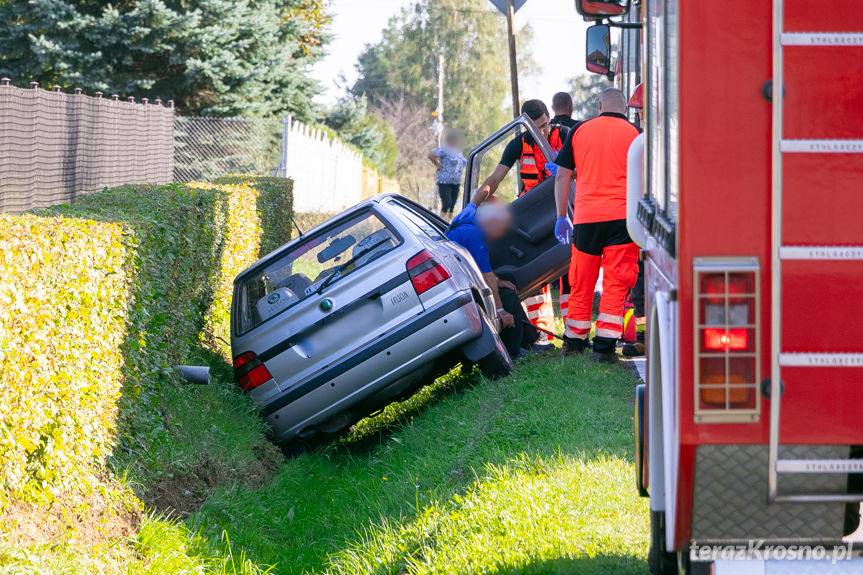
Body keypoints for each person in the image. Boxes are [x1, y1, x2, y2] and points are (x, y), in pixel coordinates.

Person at [553, 88, 640, 363]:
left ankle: (575, 342)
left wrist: (560, 216)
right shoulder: (635, 134)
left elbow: (562, 176)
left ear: (599, 105)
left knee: (582, 280)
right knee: (616, 280)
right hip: (622, 218)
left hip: (587, 218)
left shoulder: (580, 131)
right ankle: (604, 347)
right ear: (625, 108)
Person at [471, 99, 566, 349]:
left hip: (563, 208)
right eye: (536, 129)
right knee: (534, 278)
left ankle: (574, 333)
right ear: (526, 128)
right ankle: (541, 334)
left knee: (571, 275)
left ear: (550, 117)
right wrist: (474, 203)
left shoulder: (564, 135)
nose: (543, 132)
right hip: (532, 214)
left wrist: (568, 171)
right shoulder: (518, 144)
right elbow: (496, 177)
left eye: (545, 125)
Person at [446, 201, 538, 359]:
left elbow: (479, 269)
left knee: (506, 281)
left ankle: (528, 341)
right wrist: (500, 310)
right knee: (507, 296)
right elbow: (487, 276)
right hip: (462, 290)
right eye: (501, 227)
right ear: (491, 223)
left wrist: (499, 281)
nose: (501, 233)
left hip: (463, 282)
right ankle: (513, 351)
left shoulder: (467, 219)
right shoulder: (474, 235)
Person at [428, 128, 467, 219]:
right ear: (450, 140)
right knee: (447, 203)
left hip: (456, 182)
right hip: (444, 181)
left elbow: (464, 162)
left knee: (452, 205)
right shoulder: (444, 149)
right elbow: (431, 155)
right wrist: (438, 165)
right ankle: (441, 221)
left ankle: (449, 222)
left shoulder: (458, 152)